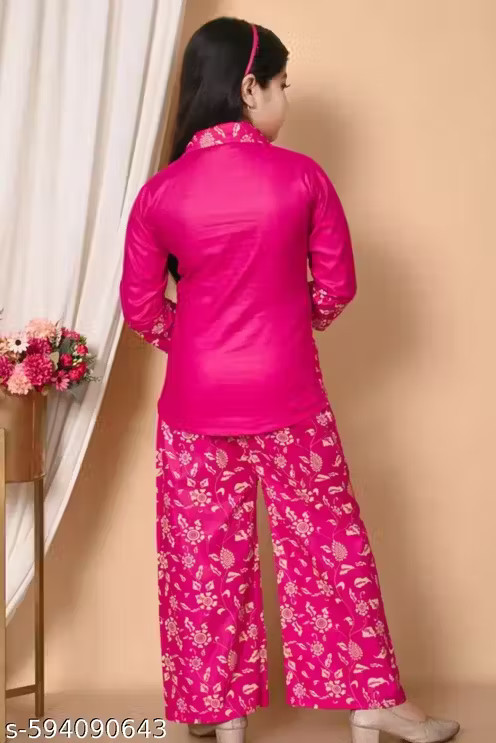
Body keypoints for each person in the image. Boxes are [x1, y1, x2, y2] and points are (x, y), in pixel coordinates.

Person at [119, 16, 460, 743]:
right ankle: (371, 704)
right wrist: (290, 330)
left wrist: (197, 345)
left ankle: (222, 715)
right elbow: (337, 286)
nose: (286, 97)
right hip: (292, 398)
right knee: (329, 547)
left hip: (194, 408)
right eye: (281, 84)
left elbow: (142, 309)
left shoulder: (159, 195)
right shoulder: (303, 177)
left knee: (204, 561)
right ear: (249, 88)